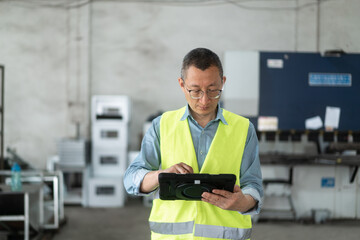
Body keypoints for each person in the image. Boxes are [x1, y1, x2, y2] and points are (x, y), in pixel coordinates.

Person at [124, 48, 263, 240]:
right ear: (182, 84)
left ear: (223, 82)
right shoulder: (161, 125)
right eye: (195, 91)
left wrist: (243, 202)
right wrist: (160, 176)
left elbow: (253, 184)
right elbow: (131, 179)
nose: (204, 100)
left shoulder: (243, 128)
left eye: (213, 90)